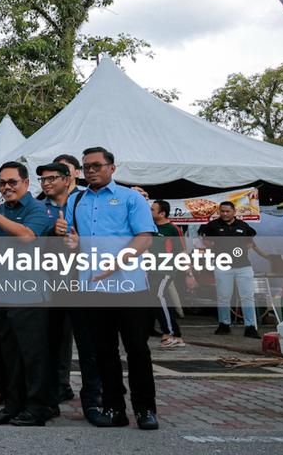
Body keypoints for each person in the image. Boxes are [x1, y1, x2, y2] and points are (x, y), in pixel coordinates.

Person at [55, 147, 158, 430]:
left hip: (130, 286)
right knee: (105, 352)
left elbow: (145, 238)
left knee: (137, 350)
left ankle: (146, 409)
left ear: (112, 167)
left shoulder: (131, 197)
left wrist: (115, 263)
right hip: (93, 288)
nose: (90, 171)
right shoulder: (77, 201)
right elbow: (75, 241)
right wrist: (71, 242)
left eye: (96, 166)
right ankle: (114, 408)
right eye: (86, 167)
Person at [0, 162, 57, 427]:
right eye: (2, 183)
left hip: (30, 292)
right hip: (3, 290)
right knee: (9, 354)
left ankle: (38, 408)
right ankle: (13, 406)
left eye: (12, 182)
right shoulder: (0, 210)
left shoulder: (38, 209)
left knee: (33, 354)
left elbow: (28, 236)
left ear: (26, 183)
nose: (6, 187)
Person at [39, 161, 102, 422]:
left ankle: (92, 403)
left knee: (89, 347)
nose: (47, 183)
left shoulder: (85, 203)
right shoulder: (40, 207)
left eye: (52, 178)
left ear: (68, 179)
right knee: (50, 345)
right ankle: (51, 399)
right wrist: (51, 234)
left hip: (83, 283)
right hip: (51, 284)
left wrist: (79, 242)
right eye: (43, 179)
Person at [198, 201, 267, 339]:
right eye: (222, 211)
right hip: (223, 265)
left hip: (243, 266)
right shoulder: (213, 225)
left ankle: (250, 327)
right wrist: (212, 247)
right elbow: (202, 236)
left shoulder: (243, 225)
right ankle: (224, 324)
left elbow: (250, 241)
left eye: (227, 211)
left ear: (234, 211)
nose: (224, 214)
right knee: (223, 296)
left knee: (247, 297)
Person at [150, 199, 186, 348]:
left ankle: (169, 333)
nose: (150, 212)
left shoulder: (173, 229)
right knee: (156, 300)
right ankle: (176, 334)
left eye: (153, 210)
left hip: (166, 270)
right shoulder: (150, 227)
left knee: (159, 296)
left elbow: (182, 251)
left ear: (162, 213)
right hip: (151, 269)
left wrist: (188, 274)